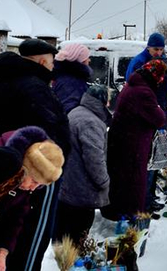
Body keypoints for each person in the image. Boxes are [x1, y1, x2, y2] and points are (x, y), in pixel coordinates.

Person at [0, 39, 70, 271]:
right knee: (29, 235)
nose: (52, 70)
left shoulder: (0, 81)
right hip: (32, 170)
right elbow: (53, 131)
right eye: (51, 64)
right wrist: (53, 165)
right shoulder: (36, 87)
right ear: (42, 62)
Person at [0, 127, 64, 271]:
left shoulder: (23, 183)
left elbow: (16, 216)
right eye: (34, 181)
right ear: (26, 167)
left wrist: (2, 252)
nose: (34, 188)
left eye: (40, 185)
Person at [103, 60, 167, 220]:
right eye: (160, 76)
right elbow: (159, 118)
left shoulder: (133, 85)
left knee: (121, 181)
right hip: (132, 145)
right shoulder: (143, 91)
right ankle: (129, 216)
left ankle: (119, 212)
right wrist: (160, 109)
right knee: (132, 184)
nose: (161, 80)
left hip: (124, 141)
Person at [56, 85, 111, 242]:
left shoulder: (77, 112)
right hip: (81, 189)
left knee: (65, 229)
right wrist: (104, 182)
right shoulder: (91, 122)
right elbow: (94, 159)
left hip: (69, 183)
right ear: (101, 101)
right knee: (78, 230)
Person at [52, 42, 92, 114]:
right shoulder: (72, 82)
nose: (89, 60)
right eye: (87, 57)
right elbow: (69, 109)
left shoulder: (69, 77)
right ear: (80, 60)